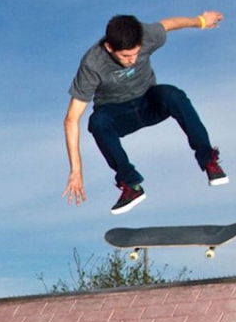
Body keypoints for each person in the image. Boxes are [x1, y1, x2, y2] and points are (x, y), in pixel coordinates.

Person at [63, 11, 227, 214]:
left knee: (172, 94)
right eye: (125, 56)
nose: (132, 60)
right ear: (109, 48)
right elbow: (71, 119)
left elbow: (170, 23)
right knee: (97, 121)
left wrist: (201, 21)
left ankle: (209, 160)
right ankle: (131, 185)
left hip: (149, 103)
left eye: (136, 53)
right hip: (118, 114)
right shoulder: (92, 64)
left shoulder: (147, 34)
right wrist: (76, 171)